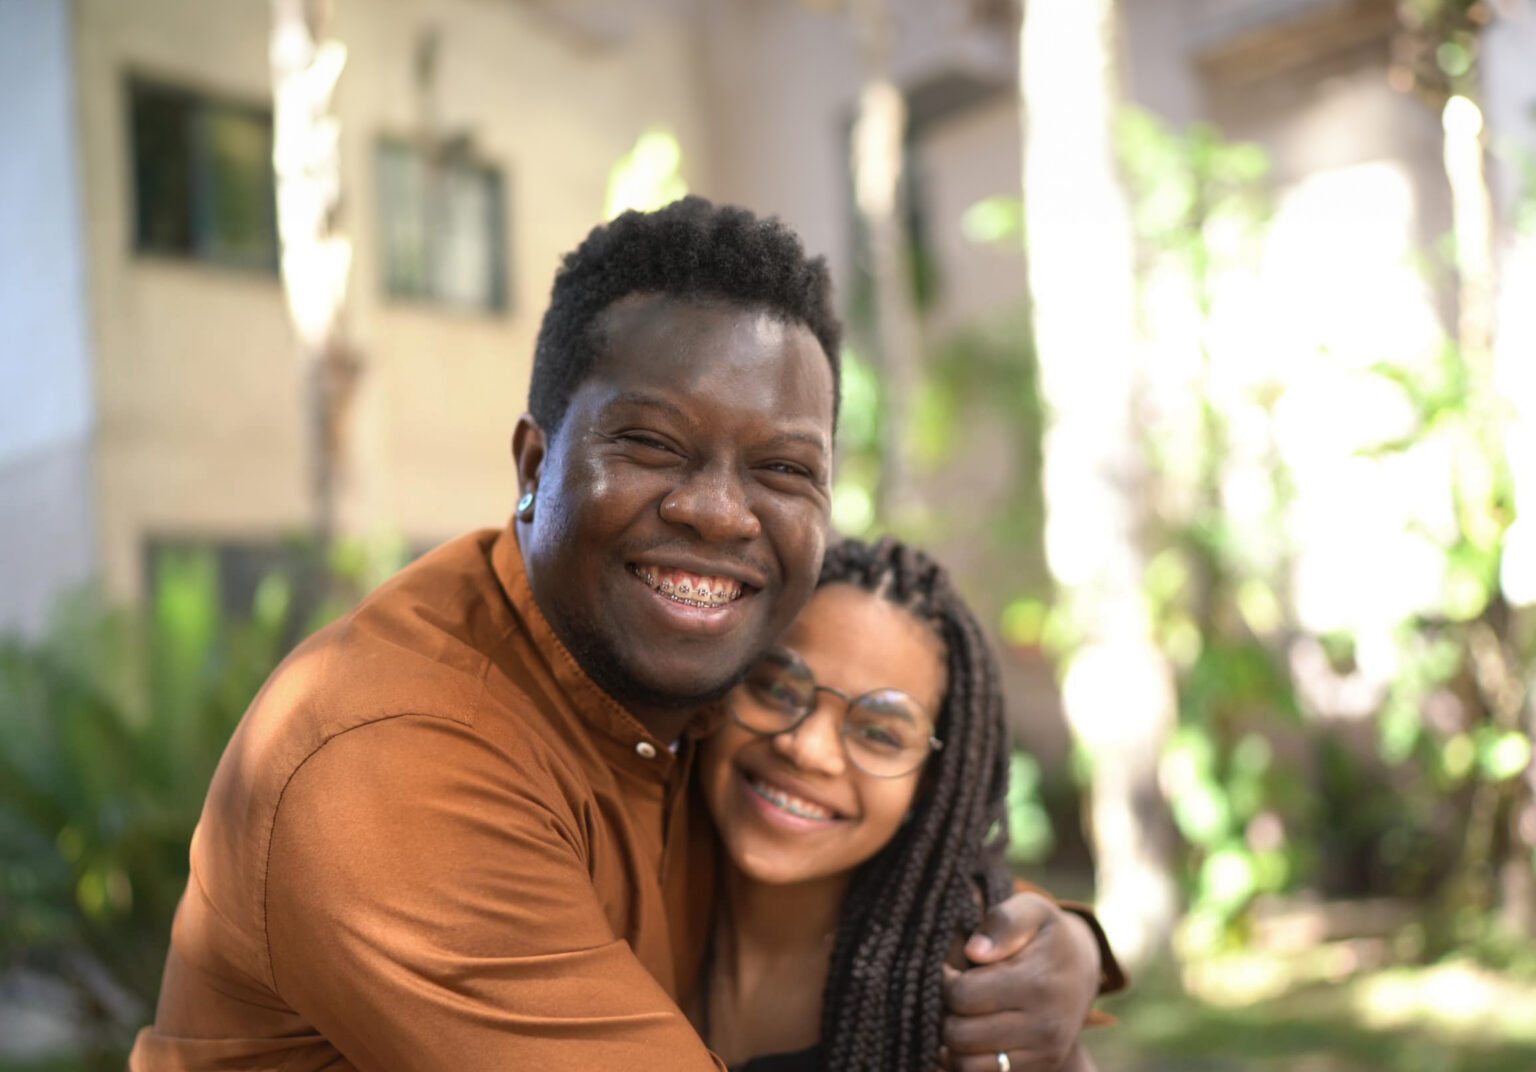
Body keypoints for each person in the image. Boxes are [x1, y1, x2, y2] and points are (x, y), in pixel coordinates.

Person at [129, 197, 1114, 1071]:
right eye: (650, 443)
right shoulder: (396, 756)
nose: (721, 513)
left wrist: (1058, 945)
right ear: (534, 465)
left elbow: (874, 836)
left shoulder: (699, 700)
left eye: (782, 469)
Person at [695, 537, 1115, 1072]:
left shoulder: (976, 998)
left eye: (880, 735)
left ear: (931, 783)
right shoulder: (632, 871)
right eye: (777, 690)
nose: (807, 749)